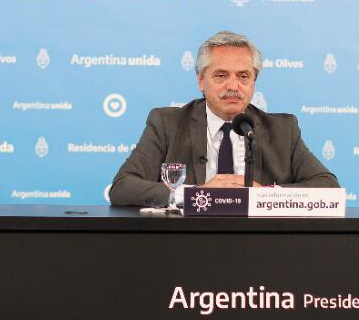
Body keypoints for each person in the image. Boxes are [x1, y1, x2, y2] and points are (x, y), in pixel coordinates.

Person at [109, 30, 339, 206]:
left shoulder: (282, 129)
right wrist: (195, 194)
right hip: (187, 239)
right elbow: (122, 187)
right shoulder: (167, 124)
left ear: (254, 82)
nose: (233, 86)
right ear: (201, 80)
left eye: (243, 76)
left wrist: (266, 195)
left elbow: (328, 187)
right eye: (221, 75)